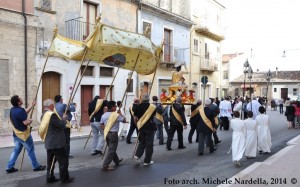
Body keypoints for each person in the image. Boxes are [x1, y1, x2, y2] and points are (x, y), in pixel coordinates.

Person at [6, 95, 46, 173]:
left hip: (16, 134)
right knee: (30, 150)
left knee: (16, 150)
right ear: (18, 102)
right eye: (20, 98)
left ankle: (9, 167)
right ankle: (36, 166)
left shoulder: (13, 109)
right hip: (24, 135)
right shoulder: (19, 111)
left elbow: (24, 112)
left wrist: (31, 105)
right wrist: (30, 120)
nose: (21, 98)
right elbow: (25, 122)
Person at [39, 99, 74, 183]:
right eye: (53, 105)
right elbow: (61, 125)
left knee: (50, 162)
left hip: (50, 142)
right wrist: (64, 118)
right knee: (63, 161)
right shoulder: (51, 115)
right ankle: (64, 179)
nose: (54, 106)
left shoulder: (43, 114)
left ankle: (50, 178)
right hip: (56, 142)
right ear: (50, 105)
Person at [101, 101, 126, 170]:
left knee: (112, 148)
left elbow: (101, 124)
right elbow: (124, 120)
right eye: (115, 106)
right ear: (112, 107)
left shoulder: (104, 115)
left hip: (107, 133)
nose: (116, 107)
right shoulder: (116, 115)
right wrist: (120, 114)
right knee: (112, 149)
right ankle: (105, 165)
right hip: (113, 134)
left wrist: (106, 130)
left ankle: (116, 161)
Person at [134, 94, 157, 166]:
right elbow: (154, 116)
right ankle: (147, 161)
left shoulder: (137, 106)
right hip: (150, 127)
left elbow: (135, 118)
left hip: (141, 127)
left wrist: (137, 125)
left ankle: (137, 155)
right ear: (149, 99)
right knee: (149, 144)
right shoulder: (153, 107)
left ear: (142, 99)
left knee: (142, 142)